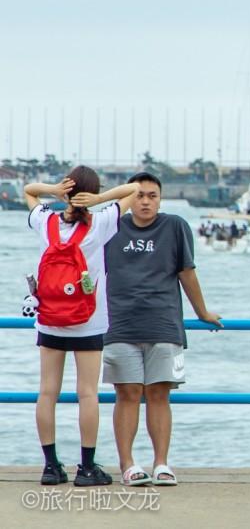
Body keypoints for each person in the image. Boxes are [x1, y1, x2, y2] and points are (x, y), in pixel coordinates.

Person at [103, 171, 222, 488]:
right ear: (128, 197)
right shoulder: (109, 225)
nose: (145, 201)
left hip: (164, 323)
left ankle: (161, 464)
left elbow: (187, 273)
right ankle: (128, 464)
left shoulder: (175, 227)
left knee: (159, 394)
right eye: (138, 195)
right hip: (119, 324)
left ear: (160, 199)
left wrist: (203, 313)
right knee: (126, 394)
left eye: (151, 195)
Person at [23, 167, 138, 486]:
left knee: (47, 392)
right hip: (88, 321)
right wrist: (101, 198)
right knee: (87, 393)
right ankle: (87, 468)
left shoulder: (47, 222)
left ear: (66, 189)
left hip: (50, 319)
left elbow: (29, 191)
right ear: (92, 191)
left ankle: (50, 466)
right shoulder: (101, 223)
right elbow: (134, 189)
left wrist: (54, 190)